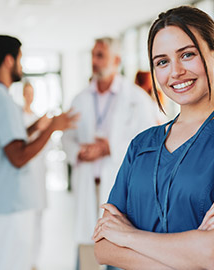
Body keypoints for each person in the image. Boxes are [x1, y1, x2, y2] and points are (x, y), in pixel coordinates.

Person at [93, 6, 214, 270]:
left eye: (187, 54)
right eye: (162, 62)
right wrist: (192, 251)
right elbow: (104, 247)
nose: (175, 71)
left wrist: (128, 236)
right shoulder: (141, 145)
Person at [0, 35, 78, 270]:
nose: (22, 66)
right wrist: (52, 128)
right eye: (20, 59)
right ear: (9, 61)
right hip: (7, 206)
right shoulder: (3, 101)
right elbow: (18, 156)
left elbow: (3, 141)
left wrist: (33, 128)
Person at [61, 37, 157, 269]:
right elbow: (67, 136)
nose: (94, 61)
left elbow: (148, 142)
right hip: (88, 184)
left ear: (116, 60)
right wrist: (80, 151)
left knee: (119, 249)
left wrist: (108, 148)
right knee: (87, 250)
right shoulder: (80, 98)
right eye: (93, 55)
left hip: (119, 186)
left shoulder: (136, 99)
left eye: (100, 55)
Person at [22, 82, 48, 270]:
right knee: (25, 217)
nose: (29, 96)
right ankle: (25, 257)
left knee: (38, 217)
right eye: (27, 92)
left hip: (38, 173)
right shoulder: (18, 117)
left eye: (32, 93)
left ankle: (34, 261)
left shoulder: (40, 118)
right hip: (24, 173)